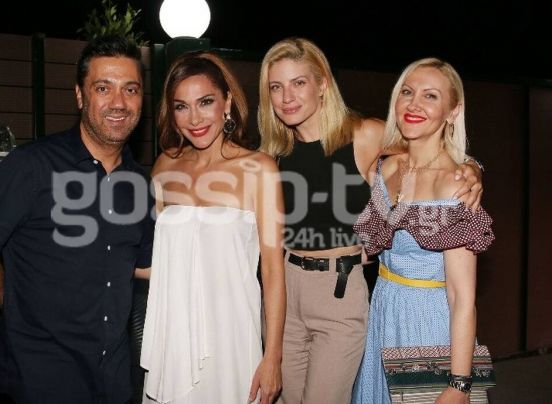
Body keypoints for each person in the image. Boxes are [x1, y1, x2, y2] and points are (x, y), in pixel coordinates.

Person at [257, 37, 484, 404]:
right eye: (276, 87)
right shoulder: (272, 153)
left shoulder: (363, 135)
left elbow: (430, 149)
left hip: (340, 288)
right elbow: (412, 165)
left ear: (322, 84)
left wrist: (471, 170)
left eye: (298, 82)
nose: (287, 97)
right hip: (288, 286)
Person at [0, 35, 154, 403]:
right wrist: (18, 305)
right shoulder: (32, 165)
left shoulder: (139, 183)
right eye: (103, 88)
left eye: (131, 89)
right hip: (39, 382)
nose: (119, 102)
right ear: (80, 96)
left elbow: (143, 266)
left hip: (112, 385)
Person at [138, 51, 286, 404]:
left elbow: (272, 270)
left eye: (205, 102)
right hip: (175, 335)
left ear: (227, 103)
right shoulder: (164, 166)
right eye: (181, 106)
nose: (195, 118)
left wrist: (273, 357)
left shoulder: (259, 168)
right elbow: (160, 260)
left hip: (232, 333)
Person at [351, 57, 495, 404]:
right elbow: (371, 247)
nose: (414, 104)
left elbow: (462, 298)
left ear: (452, 111)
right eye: (407, 92)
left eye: (430, 96)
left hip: (428, 323)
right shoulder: (385, 169)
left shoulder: (455, 185)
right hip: (384, 312)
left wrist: (459, 384)